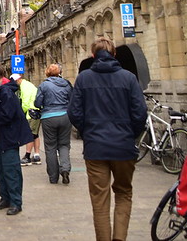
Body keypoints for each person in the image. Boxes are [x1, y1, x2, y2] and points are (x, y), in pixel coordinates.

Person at [67, 37, 147, 241]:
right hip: (123, 147)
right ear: (114, 54)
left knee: (99, 200)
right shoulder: (128, 78)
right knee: (123, 193)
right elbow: (140, 113)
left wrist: (88, 132)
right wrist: (130, 135)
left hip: (96, 148)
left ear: (93, 55)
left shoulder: (84, 78)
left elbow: (74, 113)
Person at [0, 62, 34, 216]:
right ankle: (5, 197)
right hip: (0, 137)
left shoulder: (6, 92)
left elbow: (7, 115)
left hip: (9, 136)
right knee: (1, 168)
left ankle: (16, 201)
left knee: (11, 169)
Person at [34, 63, 73, 184]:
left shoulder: (44, 85)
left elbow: (37, 103)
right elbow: (72, 99)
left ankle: (53, 176)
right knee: (64, 145)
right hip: (65, 116)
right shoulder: (66, 84)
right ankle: (65, 169)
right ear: (60, 72)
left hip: (49, 117)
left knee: (50, 147)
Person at [11, 73, 41, 166]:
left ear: (17, 80)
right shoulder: (28, 84)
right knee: (35, 134)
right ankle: (36, 155)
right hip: (36, 112)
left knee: (30, 134)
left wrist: (20, 114)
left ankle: (27, 157)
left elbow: (25, 103)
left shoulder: (24, 87)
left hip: (31, 113)